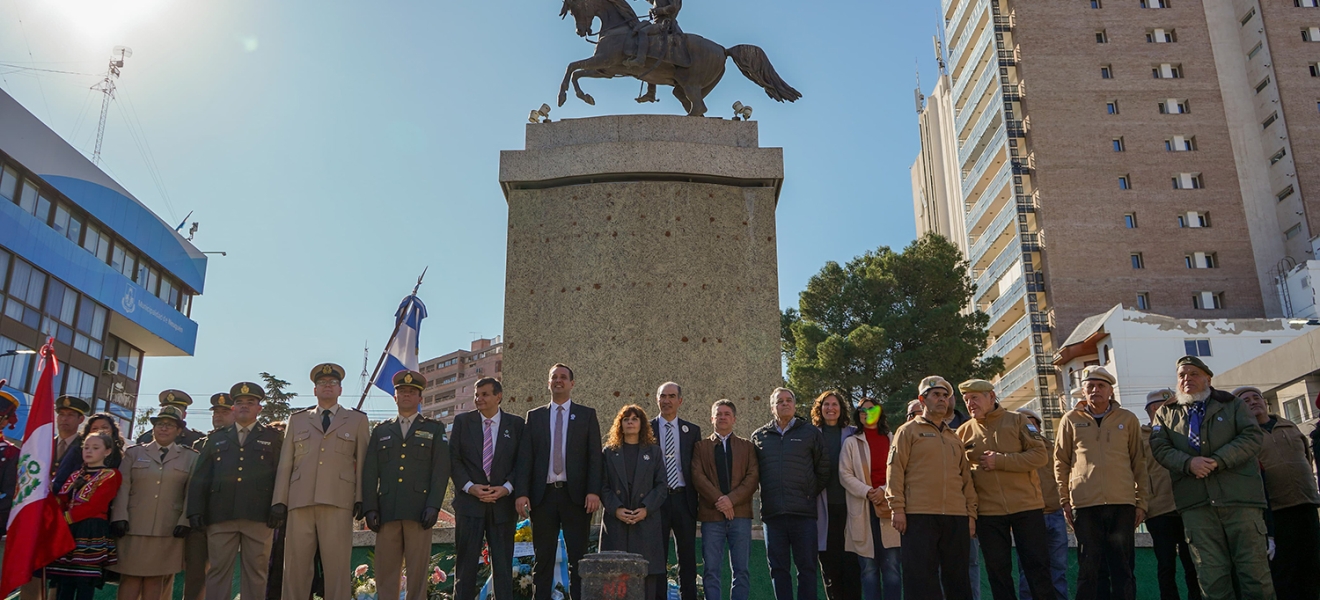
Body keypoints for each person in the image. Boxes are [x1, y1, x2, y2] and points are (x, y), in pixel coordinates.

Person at [1149, 356, 1274, 600]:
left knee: (1254, 573)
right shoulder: (1166, 413)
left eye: (1193, 374)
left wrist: (1219, 459)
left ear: (1208, 378)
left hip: (1240, 500)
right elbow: (1159, 447)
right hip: (1197, 505)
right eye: (1182, 375)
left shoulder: (1232, 404)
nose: (1187, 379)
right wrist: (1188, 463)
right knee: (1211, 577)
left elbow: (1251, 436)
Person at [271, 362, 370, 600]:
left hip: (338, 501)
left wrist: (362, 498)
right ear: (314, 390)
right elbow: (286, 463)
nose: (327, 386)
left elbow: (364, 464)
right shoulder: (297, 420)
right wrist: (279, 500)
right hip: (300, 501)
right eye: (322, 383)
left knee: (336, 569)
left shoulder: (356, 420)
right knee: (295, 568)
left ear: (340, 390)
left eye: (332, 383)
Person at [953, 380, 1054, 600]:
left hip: (1027, 508)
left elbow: (1040, 456)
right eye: (967, 400)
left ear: (991, 396)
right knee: (998, 574)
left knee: (1038, 570)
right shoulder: (962, 433)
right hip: (988, 514)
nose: (970, 404)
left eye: (975, 398)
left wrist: (1001, 461)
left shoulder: (1019, 421)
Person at [1054, 366, 1146, 600]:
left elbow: (1139, 462)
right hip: (1085, 504)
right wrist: (1064, 499)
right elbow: (1061, 461)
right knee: (1089, 569)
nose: (1095, 390)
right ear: (1083, 391)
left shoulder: (1128, 419)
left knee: (1123, 568)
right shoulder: (1070, 419)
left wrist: (1141, 502)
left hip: (1122, 503)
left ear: (1110, 391)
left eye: (1101, 386)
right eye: (1090, 386)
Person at [188, 381, 284, 600]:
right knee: (218, 571)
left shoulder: (273, 437)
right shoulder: (216, 438)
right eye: (239, 402)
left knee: (256, 573)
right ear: (233, 408)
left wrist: (279, 505)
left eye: (250, 402)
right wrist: (195, 510)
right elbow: (200, 477)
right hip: (221, 515)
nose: (244, 406)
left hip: (259, 516)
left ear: (259, 408)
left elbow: (281, 474)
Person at [515, 363, 603, 600]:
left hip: (576, 497)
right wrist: (522, 493)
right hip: (542, 497)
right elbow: (526, 458)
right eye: (554, 377)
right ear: (548, 383)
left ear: (572, 384)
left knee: (578, 559)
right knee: (543, 559)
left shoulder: (586, 415)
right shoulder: (535, 416)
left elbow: (595, 457)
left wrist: (594, 491)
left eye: (563, 377)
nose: (558, 381)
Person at [363, 370, 451, 600]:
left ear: (420, 398)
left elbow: (441, 471)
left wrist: (433, 505)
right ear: (394, 397)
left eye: (412, 392)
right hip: (387, 511)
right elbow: (370, 471)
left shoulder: (433, 429)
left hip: (419, 511)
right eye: (402, 392)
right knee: (386, 573)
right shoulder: (381, 430)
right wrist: (370, 507)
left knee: (418, 573)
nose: (406, 395)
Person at [886, 376, 976, 600]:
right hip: (919, 516)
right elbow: (895, 470)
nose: (942, 399)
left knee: (958, 580)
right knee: (921, 580)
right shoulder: (907, 431)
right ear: (922, 400)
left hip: (956, 517)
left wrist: (971, 515)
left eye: (945, 395)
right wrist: (897, 508)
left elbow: (966, 479)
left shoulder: (955, 438)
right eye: (936, 395)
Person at [1237, 385, 1319, 600]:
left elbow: (1306, 459)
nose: (1253, 402)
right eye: (1246, 400)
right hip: (1275, 510)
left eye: (1256, 397)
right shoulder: (1244, 435)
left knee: (1312, 564)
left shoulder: (1289, 425)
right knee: (1284, 568)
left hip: (1306, 503)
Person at [108, 405, 198, 600]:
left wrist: (185, 521)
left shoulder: (190, 457)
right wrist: (119, 516)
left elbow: (191, 493)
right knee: (130, 578)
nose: (163, 428)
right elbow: (122, 487)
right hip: (133, 526)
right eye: (159, 424)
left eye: (169, 425)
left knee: (155, 581)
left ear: (179, 430)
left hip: (167, 529)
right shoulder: (134, 453)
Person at [752, 387, 831, 600]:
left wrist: (807, 493)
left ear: (795, 405)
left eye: (789, 400)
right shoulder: (759, 436)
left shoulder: (810, 432)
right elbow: (753, 473)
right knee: (778, 570)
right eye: (780, 401)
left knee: (806, 569)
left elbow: (823, 469)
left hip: (803, 515)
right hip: (773, 515)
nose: (785, 404)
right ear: (772, 407)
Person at [451, 377, 525, 600]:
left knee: (502, 567)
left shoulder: (516, 424)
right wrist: (470, 487)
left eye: (484, 394)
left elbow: (522, 462)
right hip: (469, 505)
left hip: (502, 506)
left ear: (498, 396)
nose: (479, 399)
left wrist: (507, 488)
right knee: (465, 568)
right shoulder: (463, 422)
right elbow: (454, 460)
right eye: (477, 395)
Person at [691, 399, 759, 600]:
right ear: (712, 418)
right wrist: (720, 501)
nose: (722, 417)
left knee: (741, 570)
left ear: (734, 419)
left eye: (726, 414)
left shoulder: (747, 446)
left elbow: (753, 476)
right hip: (711, 517)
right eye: (718, 414)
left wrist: (731, 500)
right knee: (711, 569)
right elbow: (697, 476)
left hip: (741, 516)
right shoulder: (700, 447)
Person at [601, 405, 669, 600]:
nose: (630, 422)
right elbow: (602, 486)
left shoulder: (654, 452)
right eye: (626, 419)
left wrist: (645, 509)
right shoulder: (608, 452)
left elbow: (661, 486)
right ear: (620, 424)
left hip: (645, 523)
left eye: (634, 418)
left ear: (642, 424)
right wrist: (617, 509)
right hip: (617, 524)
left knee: (645, 580)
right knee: (614, 579)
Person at [838, 397, 901, 600]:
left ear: (879, 412)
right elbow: (844, 474)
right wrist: (867, 491)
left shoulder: (893, 439)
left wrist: (883, 490)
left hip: (888, 508)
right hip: (862, 510)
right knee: (868, 570)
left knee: (892, 569)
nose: (866, 413)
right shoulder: (851, 442)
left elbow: (900, 471)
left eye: (870, 409)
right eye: (862, 411)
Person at [1140, 389, 1200, 600]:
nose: (1164, 410)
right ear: (1150, 410)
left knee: (1193, 564)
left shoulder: (1186, 432)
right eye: (1159, 407)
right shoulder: (1140, 436)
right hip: (1158, 509)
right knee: (1166, 566)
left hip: (1187, 506)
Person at [47, 431, 122, 600]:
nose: (88, 451)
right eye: (86, 447)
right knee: (65, 580)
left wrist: (65, 518)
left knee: (84, 580)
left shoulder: (110, 475)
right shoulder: (75, 475)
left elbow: (95, 505)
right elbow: (63, 498)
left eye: (95, 448)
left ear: (107, 451)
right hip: (68, 529)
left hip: (90, 529)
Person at [650, 382, 701, 600]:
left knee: (687, 556)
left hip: (684, 500)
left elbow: (697, 468)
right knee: (657, 556)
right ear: (657, 399)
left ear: (680, 401)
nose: (667, 400)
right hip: (656, 501)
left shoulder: (692, 431)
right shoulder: (646, 429)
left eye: (672, 396)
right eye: (663, 396)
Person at [180, 393, 233, 600]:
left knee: (220, 573)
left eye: (224, 411)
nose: (218, 416)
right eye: (216, 412)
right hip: (199, 518)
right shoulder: (200, 444)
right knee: (195, 574)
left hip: (225, 517)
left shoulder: (241, 444)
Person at [811, 391, 860, 600]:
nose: (830, 408)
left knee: (852, 564)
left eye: (835, 404)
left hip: (851, 509)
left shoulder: (854, 433)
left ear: (842, 408)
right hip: (823, 509)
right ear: (819, 409)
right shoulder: (811, 434)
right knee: (830, 565)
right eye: (826, 405)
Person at [1015, 409, 1068, 600]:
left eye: (1030, 423)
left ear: (1038, 425)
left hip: (1055, 513)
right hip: (1028, 516)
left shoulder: (1052, 448)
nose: (1026, 428)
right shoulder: (1013, 450)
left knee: (1058, 569)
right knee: (1029, 571)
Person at [54, 412, 126, 489]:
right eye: (95, 428)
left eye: (104, 428)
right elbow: (61, 479)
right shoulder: (77, 450)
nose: (100, 431)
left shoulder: (119, 456)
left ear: (113, 430)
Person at [134, 390, 204, 447]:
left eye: (176, 409)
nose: (170, 412)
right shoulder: (145, 438)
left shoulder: (195, 439)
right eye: (166, 408)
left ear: (184, 414)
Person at [52, 395, 90, 475]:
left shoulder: (85, 447)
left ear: (81, 419)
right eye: (61, 414)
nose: (64, 418)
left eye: (70, 415)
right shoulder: (47, 444)